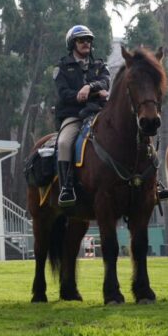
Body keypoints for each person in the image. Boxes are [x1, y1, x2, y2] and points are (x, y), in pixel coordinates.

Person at [53, 25, 110, 207]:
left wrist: (89, 88)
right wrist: (90, 92)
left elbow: (105, 83)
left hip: (99, 112)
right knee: (63, 143)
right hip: (74, 115)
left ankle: (151, 182)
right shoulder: (62, 67)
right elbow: (64, 94)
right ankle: (66, 188)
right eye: (81, 40)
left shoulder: (100, 65)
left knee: (128, 129)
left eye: (88, 40)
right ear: (72, 43)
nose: (86, 43)